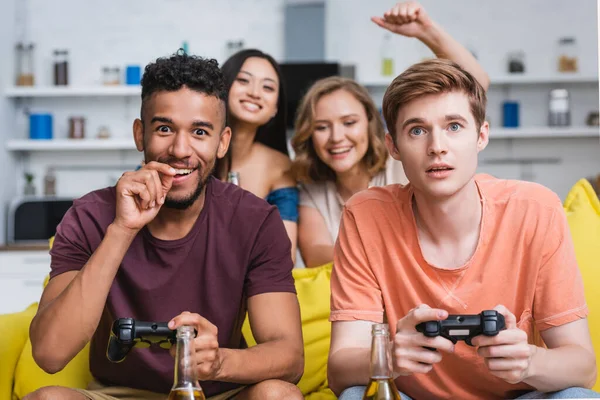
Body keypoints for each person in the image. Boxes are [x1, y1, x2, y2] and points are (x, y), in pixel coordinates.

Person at [25, 52, 304, 400]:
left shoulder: (256, 220)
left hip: (218, 392)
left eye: (200, 131)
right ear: (140, 134)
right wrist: (122, 229)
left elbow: (290, 356)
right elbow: (49, 354)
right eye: (164, 129)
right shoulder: (89, 216)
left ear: (222, 142)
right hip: (121, 394)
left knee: (280, 394)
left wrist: (217, 363)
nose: (180, 149)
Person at [327, 57, 599, 399]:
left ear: (481, 135)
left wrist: (529, 361)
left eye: (454, 126)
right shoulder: (366, 215)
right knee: (352, 395)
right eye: (417, 130)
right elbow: (339, 369)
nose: (437, 146)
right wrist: (391, 355)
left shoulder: (535, 209)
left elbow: (584, 369)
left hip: (519, 396)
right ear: (393, 146)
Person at [291, 1, 490, 268]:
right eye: (322, 127)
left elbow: (474, 85)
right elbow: (316, 256)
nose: (337, 137)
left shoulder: (403, 159)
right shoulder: (311, 189)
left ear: (371, 125)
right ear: (309, 135)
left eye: (349, 122)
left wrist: (426, 31)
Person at [216, 49, 298, 263]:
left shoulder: (281, 167)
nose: (254, 92)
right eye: (243, 80)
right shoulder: (187, 149)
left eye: (268, 87)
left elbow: (282, 255)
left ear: (275, 108)